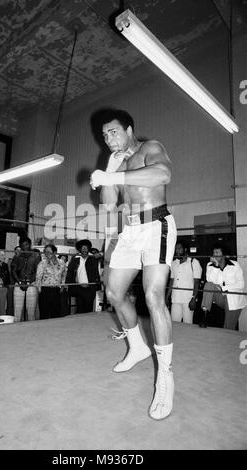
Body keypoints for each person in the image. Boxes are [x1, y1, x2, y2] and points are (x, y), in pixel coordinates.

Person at [90, 109, 177, 420]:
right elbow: (109, 206)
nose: (108, 139)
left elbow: (163, 174)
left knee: (154, 296)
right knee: (113, 293)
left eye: (113, 132)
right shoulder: (116, 163)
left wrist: (113, 176)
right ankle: (138, 347)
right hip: (129, 231)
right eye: (104, 135)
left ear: (129, 129)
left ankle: (165, 376)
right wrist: (109, 172)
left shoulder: (149, 147)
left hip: (157, 225)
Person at [200, 244, 247, 330]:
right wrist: (215, 266)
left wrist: (223, 288)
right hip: (220, 297)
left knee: (229, 328)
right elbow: (209, 280)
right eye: (213, 253)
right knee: (209, 285)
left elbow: (241, 284)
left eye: (217, 252)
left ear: (223, 254)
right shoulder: (210, 265)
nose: (214, 255)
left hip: (234, 299)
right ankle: (204, 313)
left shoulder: (235, 265)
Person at [166, 239, 202, 324]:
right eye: (176, 249)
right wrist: (167, 297)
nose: (176, 251)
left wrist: (194, 299)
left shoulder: (194, 262)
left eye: (179, 248)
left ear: (185, 249)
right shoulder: (174, 263)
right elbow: (172, 281)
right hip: (175, 298)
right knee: (174, 323)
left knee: (188, 324)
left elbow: (197, 282)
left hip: (188, 299)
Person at [65, 239, 100, 313]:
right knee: (80, 309)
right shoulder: (75, 258)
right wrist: (67, 284)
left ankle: (88, 324)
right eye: (82, 247)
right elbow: (70, 272)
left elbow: (100, 257)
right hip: (79, 288)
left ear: (88, 249)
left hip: (90, 288)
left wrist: (97, 254)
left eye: (86, 247)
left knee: (88, 309)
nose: (84, 249)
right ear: (79, 249)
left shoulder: (93, 258)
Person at [11, 237, 40, 322]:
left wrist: (29, 282)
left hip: (31, 284)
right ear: (20, 246)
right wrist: (19, 282)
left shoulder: (35, 255)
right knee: (17, 312)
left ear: (30, 245)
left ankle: (31, 333)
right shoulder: (17, 256)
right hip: (18, 283)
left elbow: (37, 271)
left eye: (26, 244)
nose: (25, 247)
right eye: (23, 245)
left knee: (31, 313)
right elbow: (13, 270)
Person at [36, 244, 67, 319]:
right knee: (44, 314)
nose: (46, 254)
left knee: (56, 313)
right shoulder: (42, 263)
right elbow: (38, 277)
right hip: (45, 290)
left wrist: (62, 286)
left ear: (55, 253)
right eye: (45, 252)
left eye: (49, 252)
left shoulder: (62, 263)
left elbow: (64, 275)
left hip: (57, 290)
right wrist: (39, 289)